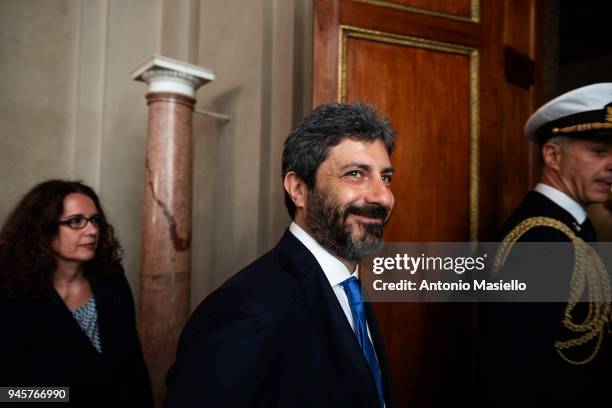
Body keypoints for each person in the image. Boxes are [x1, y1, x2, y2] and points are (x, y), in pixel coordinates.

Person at [164, 102, 396, 407]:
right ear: (298, 189)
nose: (383, 196)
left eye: (386, 177)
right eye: (355, 174)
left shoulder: (349, 289)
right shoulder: (242, 312)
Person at [478, 83, 612, 405]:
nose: (611, 164)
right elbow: (512, 371)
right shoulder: (539, 238)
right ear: (552, 155)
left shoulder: (574, 225)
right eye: (599, 151)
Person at [0, 180, 154, 407]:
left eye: (95, 221)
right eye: (76, 221)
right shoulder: (11, 295)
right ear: (44, 228)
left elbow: (133, 368)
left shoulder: (111, 282)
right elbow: (8, 393)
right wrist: (71, 395)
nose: (92, 231)